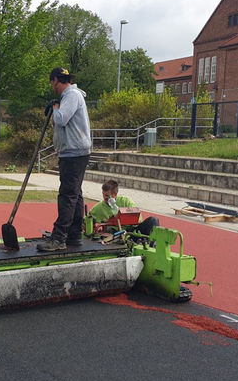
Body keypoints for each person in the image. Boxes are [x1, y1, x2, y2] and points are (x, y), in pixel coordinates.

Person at [37, 67, 92, 252]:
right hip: (74, 152)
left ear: (55, 80)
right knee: (75, 195)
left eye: (52, 83)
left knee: (67, 195)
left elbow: (61, 119)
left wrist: (55, 108)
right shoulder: (71, 96)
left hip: (74, 152)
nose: (52, 86)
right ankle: (74, 235)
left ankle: (59, 238)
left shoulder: (71, 95)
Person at [88, 179, 159, 235]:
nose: (104, 197)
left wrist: (120, 219)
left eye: (107, 196)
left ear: (115, 194)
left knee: (153, 220)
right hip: (115, 234)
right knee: (109, 230)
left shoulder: (126, 201)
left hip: (131, 232)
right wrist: (95, 225)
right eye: (103, 194)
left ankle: (153, 244)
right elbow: (87, 221)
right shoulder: (97, 208)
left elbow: (138, 218)